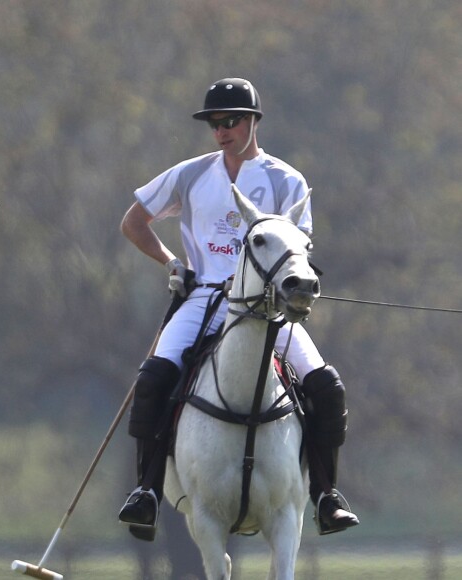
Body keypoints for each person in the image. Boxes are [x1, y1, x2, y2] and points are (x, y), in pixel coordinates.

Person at [118, 77, 360, 539]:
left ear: (253, 122)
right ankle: (147, 491)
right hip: (204, 298)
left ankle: (326, 495)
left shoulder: (286, 181)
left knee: (326, 387)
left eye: (230, 121)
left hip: (266, 306)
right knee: (153, 379)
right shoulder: (190, 174)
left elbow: (300, 247)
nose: (221, 131)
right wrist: (171, 263)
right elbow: (133, 222)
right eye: (214, 123)